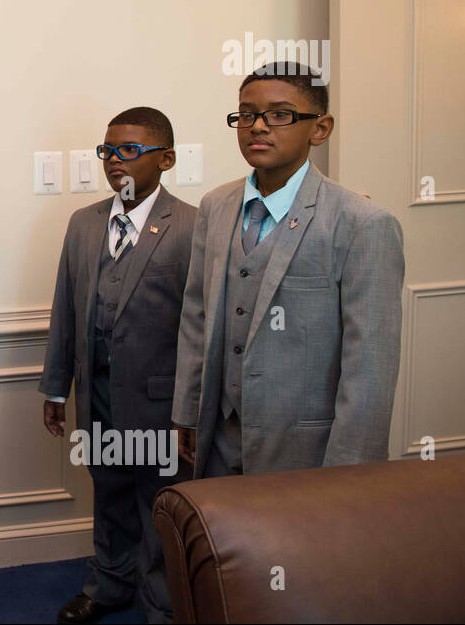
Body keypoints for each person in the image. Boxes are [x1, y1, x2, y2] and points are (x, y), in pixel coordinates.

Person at [173, 63, 405, 478]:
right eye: (247, 114)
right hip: (219, 439)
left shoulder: (362, 224)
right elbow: (197, 316)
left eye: (279, 114)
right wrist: (188, 412)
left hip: (305, 449)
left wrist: (350, 472)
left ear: (320, 128)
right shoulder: (215, 206)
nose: (258, 127)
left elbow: (370, 366)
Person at [40, 107, 196, 624]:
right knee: (107, 493)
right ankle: (108, 585)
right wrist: (57, 389)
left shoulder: (193, 226)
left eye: (130, 150)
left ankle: (163, 604)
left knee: (159, 505)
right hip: (99, 395)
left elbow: (202, 326)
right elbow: (66, 307)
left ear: (166, 159)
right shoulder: (84, 225)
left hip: (161, 403)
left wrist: (191, 408)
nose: (114, 161)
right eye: (107, 151)